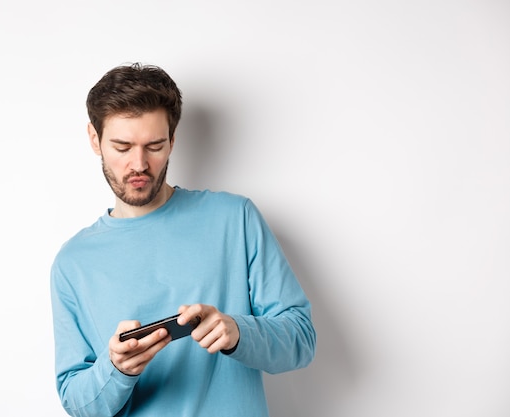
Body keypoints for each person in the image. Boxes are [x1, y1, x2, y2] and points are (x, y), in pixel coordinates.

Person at [50, 63, 316, 417]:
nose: (139, 164)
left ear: (173, 141)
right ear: (94, 140)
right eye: (122, 146)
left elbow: (301, 340)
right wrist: (116, 369)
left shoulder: (234, 219)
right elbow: (78, 402)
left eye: (155, 146)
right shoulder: (73, 262)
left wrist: (239, 332)